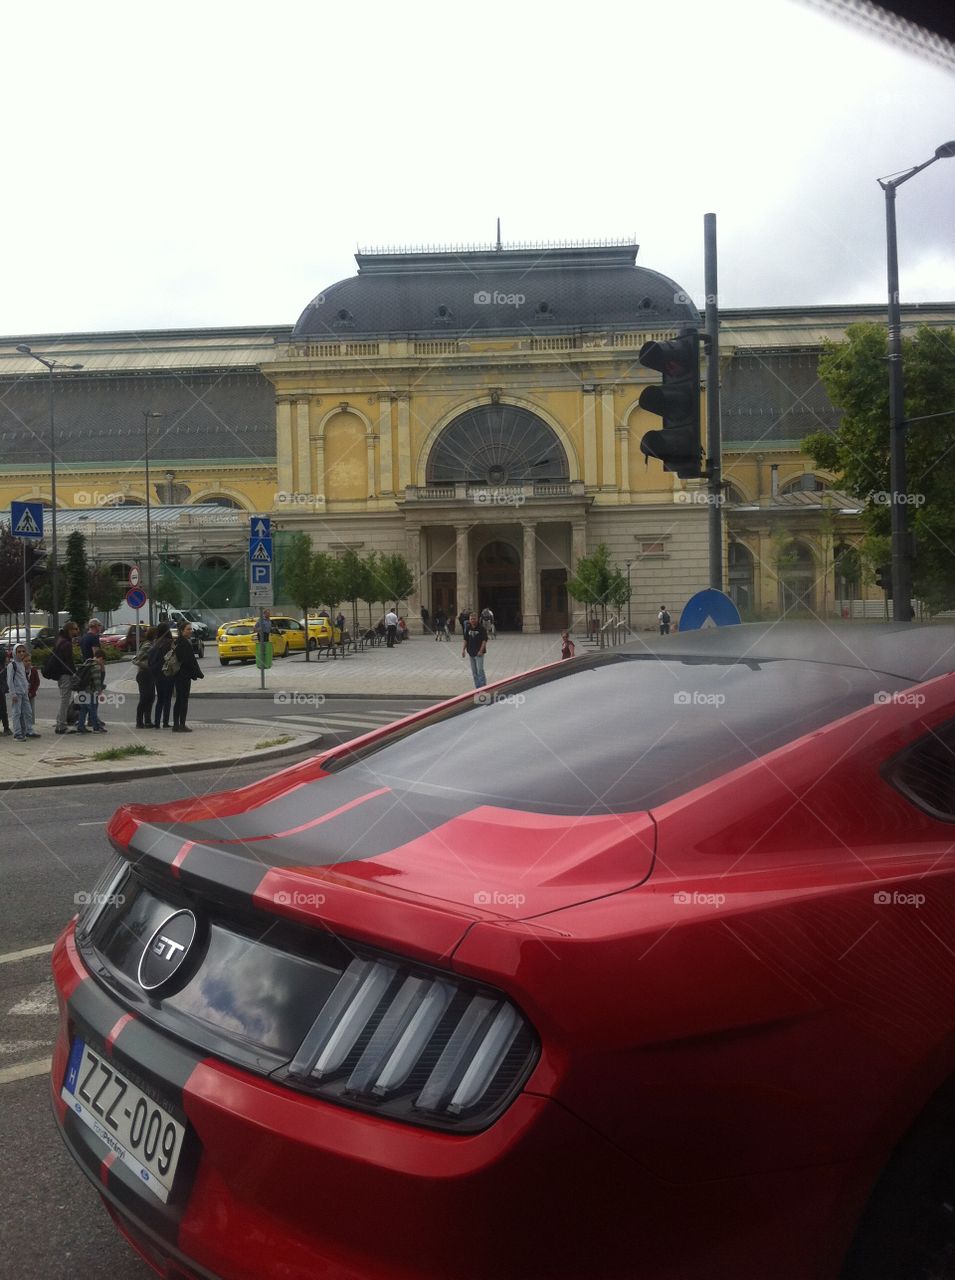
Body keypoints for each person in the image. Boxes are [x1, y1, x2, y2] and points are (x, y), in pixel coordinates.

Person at [171, 622, 204, 731]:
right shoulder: (184, 643)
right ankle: (181, 724)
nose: (190, 631)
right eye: (188, 629)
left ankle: (176, 725)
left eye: (191, 629)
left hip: (177, 675)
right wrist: (197, 673)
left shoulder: (177, 642)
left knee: (179, 700)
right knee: (183, 700)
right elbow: (188, 661)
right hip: (183, 676)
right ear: (182, 631)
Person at [52, 622, 80, 734]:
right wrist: (74, 673)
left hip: (60, 674)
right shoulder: (66, 643)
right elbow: (68, 661)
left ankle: (60, 722)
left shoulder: (60, 640)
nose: (77, 631)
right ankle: (61, 726)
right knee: (65, 700)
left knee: (64, 700)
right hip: (65, 675)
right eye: (76, 629)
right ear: (70, 630)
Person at [9, 645, 40, 739]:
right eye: (19, 651)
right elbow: (10, 680)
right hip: (17, 693)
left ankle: (29, 730)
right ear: (15, 653)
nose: (21, 653)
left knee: (28, 711)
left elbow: (23, 678)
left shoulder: (21, 664)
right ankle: (17, 733)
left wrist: (26, 688)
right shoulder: (12, 665)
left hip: (24, 692)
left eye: (23, 651)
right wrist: (13, 693)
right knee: (17, 713)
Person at [74, 648, 107, 734]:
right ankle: (96, 728)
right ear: (101, 658)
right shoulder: (95, 666)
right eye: (103, 661)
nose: (103, 663)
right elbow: (97, 681)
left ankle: (80, 728)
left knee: (84, 709)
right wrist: (100, 692)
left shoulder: (87, 663)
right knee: (92, 709)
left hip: (81, 690)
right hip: (90, 691)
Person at [149, 623, 175, 729]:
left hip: (157, 674)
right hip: (167, 673)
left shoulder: (155, 643)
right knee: (167, 699)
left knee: (159, 699)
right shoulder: (169, 643)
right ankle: (165, 722)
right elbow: (172, 658)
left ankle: (156, 722)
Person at [133, 626, 157, 728]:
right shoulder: (147, 645)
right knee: (144, 698)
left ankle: (147, 720)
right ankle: (139, 722)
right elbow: (136, 659)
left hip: (150, 675)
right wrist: (148, 666)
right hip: (143, 674)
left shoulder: (152, 644)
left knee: (150, 697)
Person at [462, 610, 488, 689]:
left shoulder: (481, 628)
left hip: (479, 653)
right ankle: (477, 687)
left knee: (480, 670)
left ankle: (483, 687)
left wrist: (481, 650)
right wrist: (463, 650)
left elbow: (484, 640)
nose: (473, 620)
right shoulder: (468, 628)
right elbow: (465, 639)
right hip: (471, 652)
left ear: (477, 619)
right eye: (471, 619)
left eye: (474, 619)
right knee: (474, 672)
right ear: (469, 620)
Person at [0, 649, 11, 737]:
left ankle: (6, 728)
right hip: (1, 692)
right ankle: (6, 728)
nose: (8, 659)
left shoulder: (4, 669)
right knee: (3, 710)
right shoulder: (3, 669)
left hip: (1, 691)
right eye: (7, 657)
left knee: (3, 710)